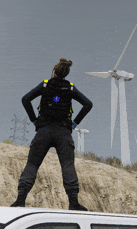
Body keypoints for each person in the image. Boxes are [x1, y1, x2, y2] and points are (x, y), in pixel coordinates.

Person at [11, 58, 93, 211]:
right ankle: (73, 203)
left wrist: (34, 121)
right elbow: (88, 104)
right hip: (63, 132)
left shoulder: (45, 84)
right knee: (68, 165)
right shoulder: (70, 88)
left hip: (44, 131)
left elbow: (25, 99)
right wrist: (74, 123)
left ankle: (20, 199)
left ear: (54, 71)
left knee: (32, 164)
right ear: (66, 73)